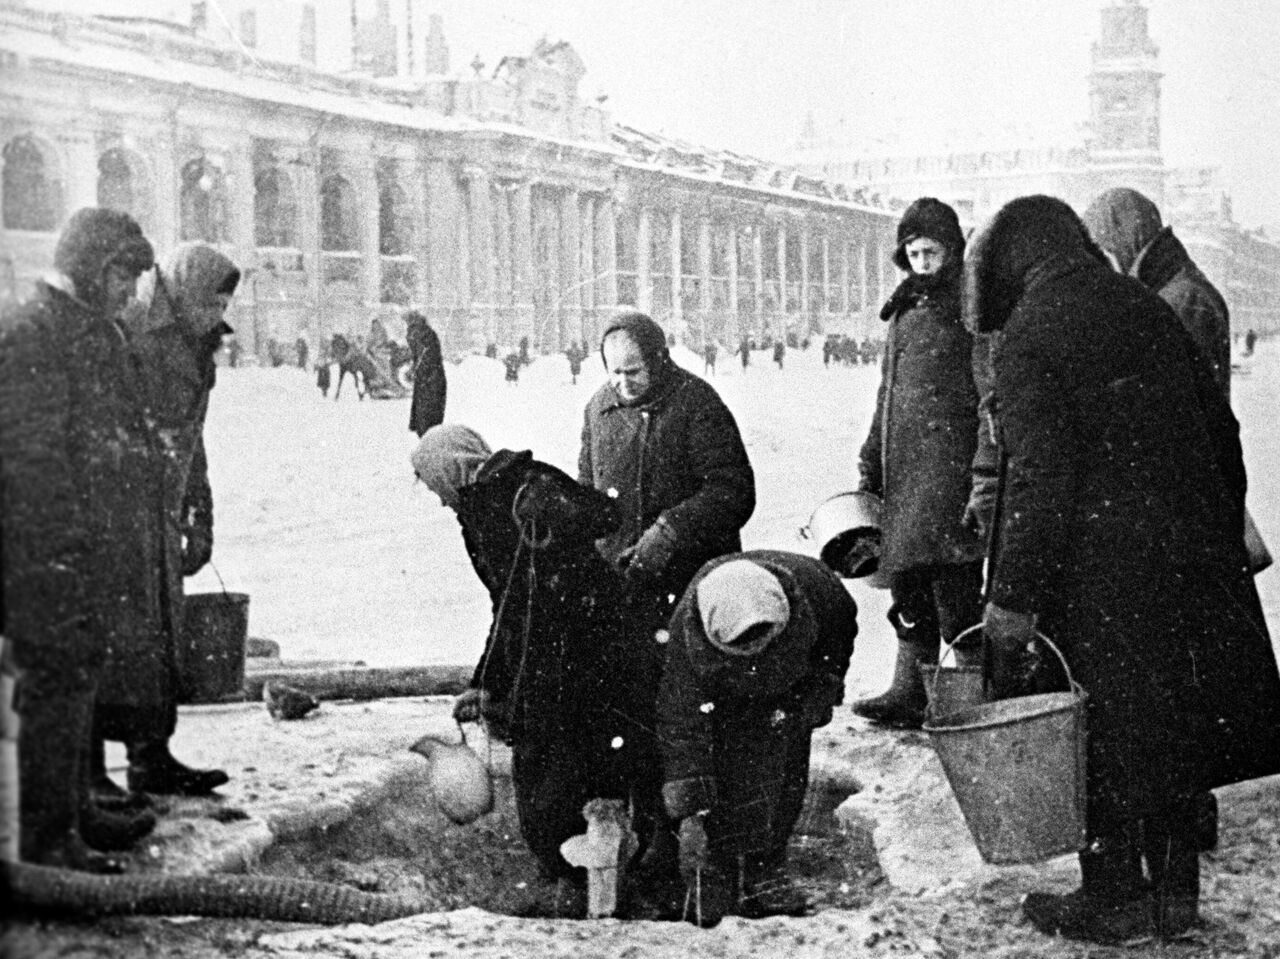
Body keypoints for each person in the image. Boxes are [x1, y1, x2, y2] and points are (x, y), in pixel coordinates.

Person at [965, 194, 1280, 944]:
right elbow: (1223, 432)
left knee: (1096, 733)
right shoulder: (1145, 308)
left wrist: (1013, 598)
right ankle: (1174, 896)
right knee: (1171, 725)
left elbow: (1040, 477)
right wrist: (1205, 525)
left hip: (1097, 573)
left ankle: (1113, 898)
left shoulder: (1031, 333)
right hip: (1181, 560)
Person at [410, 425, 653, 907]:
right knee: (546, 776)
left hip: (592, 644)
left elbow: (607, 513)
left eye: (434, 483)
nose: (439, 500)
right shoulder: (474, 514)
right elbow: (506, 602)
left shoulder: (530, 479)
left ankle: (606, 880)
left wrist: (556, 504)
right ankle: (570, 877)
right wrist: (485, 682)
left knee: (587, 765)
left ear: (452, 467)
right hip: (541, 657)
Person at [0, 208, 155, 871]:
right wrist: (57, 545)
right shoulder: (35, 333)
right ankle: (48, 836)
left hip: (80, 540)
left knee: (80, 664)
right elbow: (30, 457)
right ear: (94, 267)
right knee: (54, 675)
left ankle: (74, 810)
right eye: (126, 274)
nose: (132, 290)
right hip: (42, 543)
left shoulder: (85, 330)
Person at [91, 243, 238, 801]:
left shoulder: (200, 344)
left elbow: (192, 439)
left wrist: (200, 512)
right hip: (118, 510)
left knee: (161, 637)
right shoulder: (130, 333)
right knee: (114, 638)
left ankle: (152, 757)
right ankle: (90, 773)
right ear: (182, 292)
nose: (217, 311)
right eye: (211, 299)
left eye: (224, 301)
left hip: (162, 512)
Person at [659, 551, 856, 925]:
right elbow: (682, 724)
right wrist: (689, 813)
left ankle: (767, 863)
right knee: (729, 759)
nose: (755, 654)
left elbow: (837, 646)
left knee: (785, 759)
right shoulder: (688, 631)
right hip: (724, 692)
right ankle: (716, 860)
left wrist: (820, 691)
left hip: (792, 681)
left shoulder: (823, 595)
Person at [851, 197, 984, 729]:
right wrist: (870, 454)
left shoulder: (971, 306)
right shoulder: (903, 308)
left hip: (950, 473)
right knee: (908, 585)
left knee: (955, 591)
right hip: (903, 471)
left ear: (952, 252)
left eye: (933, 251)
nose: (924, 262)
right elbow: (888, 390)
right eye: (914, 252)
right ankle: (911, 691)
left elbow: (986, 388)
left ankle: (974, 702)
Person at [579, 311, 756, 638]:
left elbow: (733, 490)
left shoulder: (697, 402)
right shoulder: (597, 408)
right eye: (614, 372)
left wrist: (670, 530)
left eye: (634, 371)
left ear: (657, 359)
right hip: (622, 583)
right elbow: (588, 488)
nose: (623, 382)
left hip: (690, 580)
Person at [1082, 187, 1232, 395]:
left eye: (1106, 252)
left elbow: (1175, 405)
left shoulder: (1181, 301)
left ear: (1122, 244)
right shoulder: (1175, 290)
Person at [405, 310, 447, 437]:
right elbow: (417, 356)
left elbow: (428, 355)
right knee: (426, 412)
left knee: (428, 412)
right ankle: (427, 434)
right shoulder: (420, 333)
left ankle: (428, 435)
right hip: (427, 378)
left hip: (431, 377)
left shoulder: (424, 334)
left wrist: (418, 368)